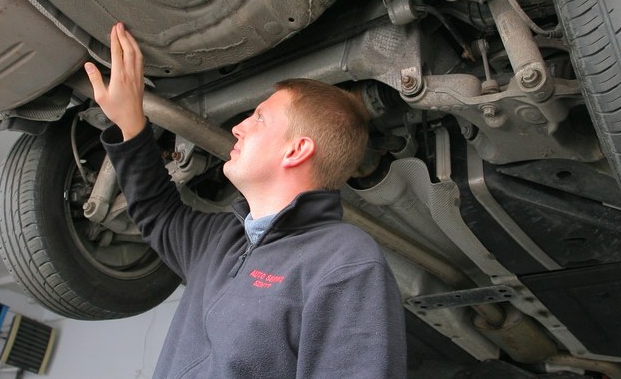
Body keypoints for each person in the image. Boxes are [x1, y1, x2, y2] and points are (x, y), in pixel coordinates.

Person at [83, 22, 407, 378]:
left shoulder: (344, 260)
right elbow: (157, 214)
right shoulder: (220, 240)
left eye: (260, 118)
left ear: (297, 150)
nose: (238, 127)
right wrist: (130, 123)